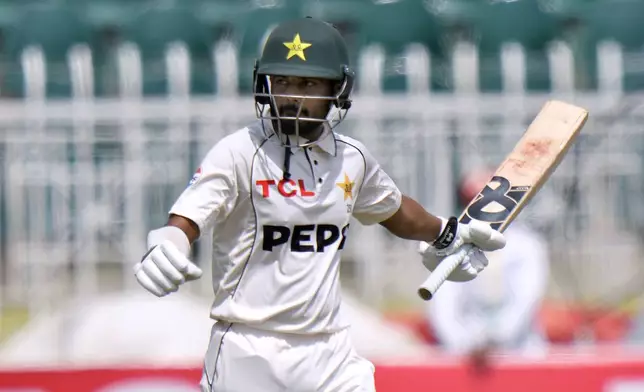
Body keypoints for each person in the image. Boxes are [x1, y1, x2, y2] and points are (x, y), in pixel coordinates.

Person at [133, 17, 506, 392]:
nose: (292, 96)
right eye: (282, 82)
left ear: (337, 89)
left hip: (329, 349)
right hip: (248, 348)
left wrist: (446, 233)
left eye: (307, 83)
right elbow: (188, 218)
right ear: (265, 86)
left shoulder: (352, 159)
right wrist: (170, 241)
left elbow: (395, 211)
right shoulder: (239, 152)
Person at [424, 169, 550, 368]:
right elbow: (443, 308)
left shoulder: (526, 245)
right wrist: (465, 344)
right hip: (467, 355)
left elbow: (526, 299)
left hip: (521, 351)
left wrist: (497, 339)